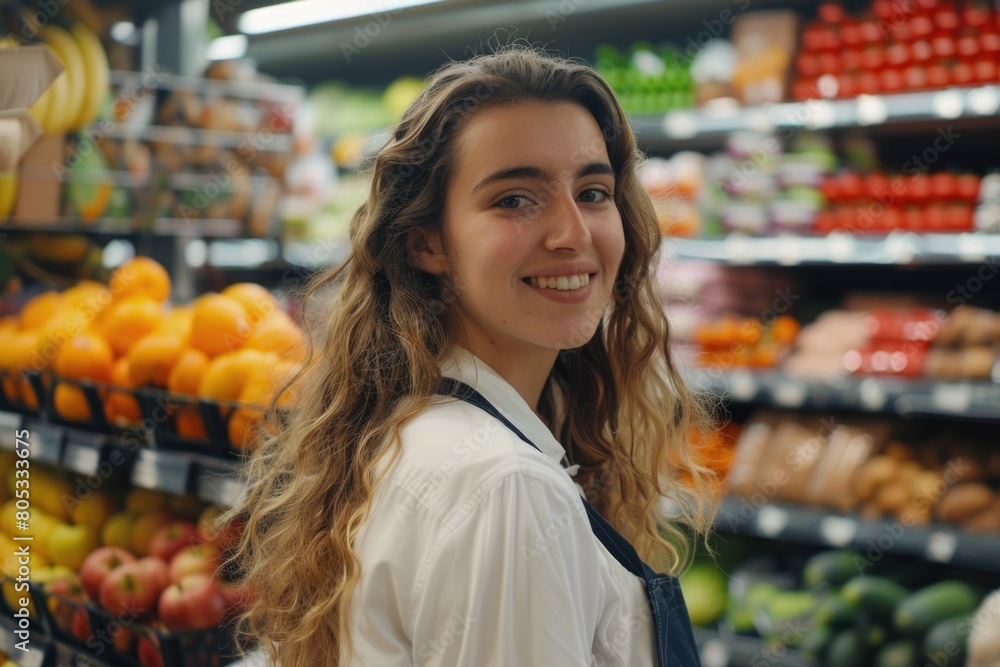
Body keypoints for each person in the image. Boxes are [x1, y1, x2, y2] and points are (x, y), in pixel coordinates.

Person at [224, 45, 719, 667]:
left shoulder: (408, 424)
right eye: (515, 199)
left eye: (593, 191)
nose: (573, 232)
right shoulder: (505, 487)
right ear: (428, 243)